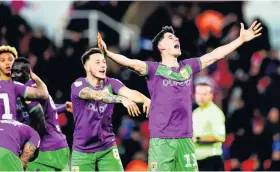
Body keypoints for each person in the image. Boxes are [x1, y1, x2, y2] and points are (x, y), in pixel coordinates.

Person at [97, 21, 262, 171]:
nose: (176, 39)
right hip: (162, 141)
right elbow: (130, 62)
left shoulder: (188, 67)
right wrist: (108, 53)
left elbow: (216, 55)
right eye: (170, 37)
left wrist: (240, 40)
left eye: (176, 37)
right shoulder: (154, 70)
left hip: (185, 140)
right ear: (161, 47)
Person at [70, 48, 150, 171]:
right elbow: (95, 95)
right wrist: (121, 99)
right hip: (82, 150)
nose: (102, 65)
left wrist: (147, 100)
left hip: (107, 147)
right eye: (97, 62)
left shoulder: (112, 83)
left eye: (104, 62)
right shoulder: (78, 85)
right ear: (86, 66)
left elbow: (129, 93)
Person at [11, 58, 70, 171]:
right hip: (59, 146)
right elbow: (47, 109)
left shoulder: (28, 91)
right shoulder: (36, 87)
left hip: (45, 150)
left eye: (17, 71)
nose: (14, 75)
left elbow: (39, 120)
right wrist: (64, 107)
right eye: (12, 72)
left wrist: (30, 149)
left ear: (28, 73)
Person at [192, 82, 226, 171]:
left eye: (204, 94)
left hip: (211, 160)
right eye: (198, 93)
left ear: (211, 95)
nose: (201, 97)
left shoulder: (216, 113)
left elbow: (220, 137)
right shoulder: (195, 113)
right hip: (196, 161)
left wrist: (198, 139)